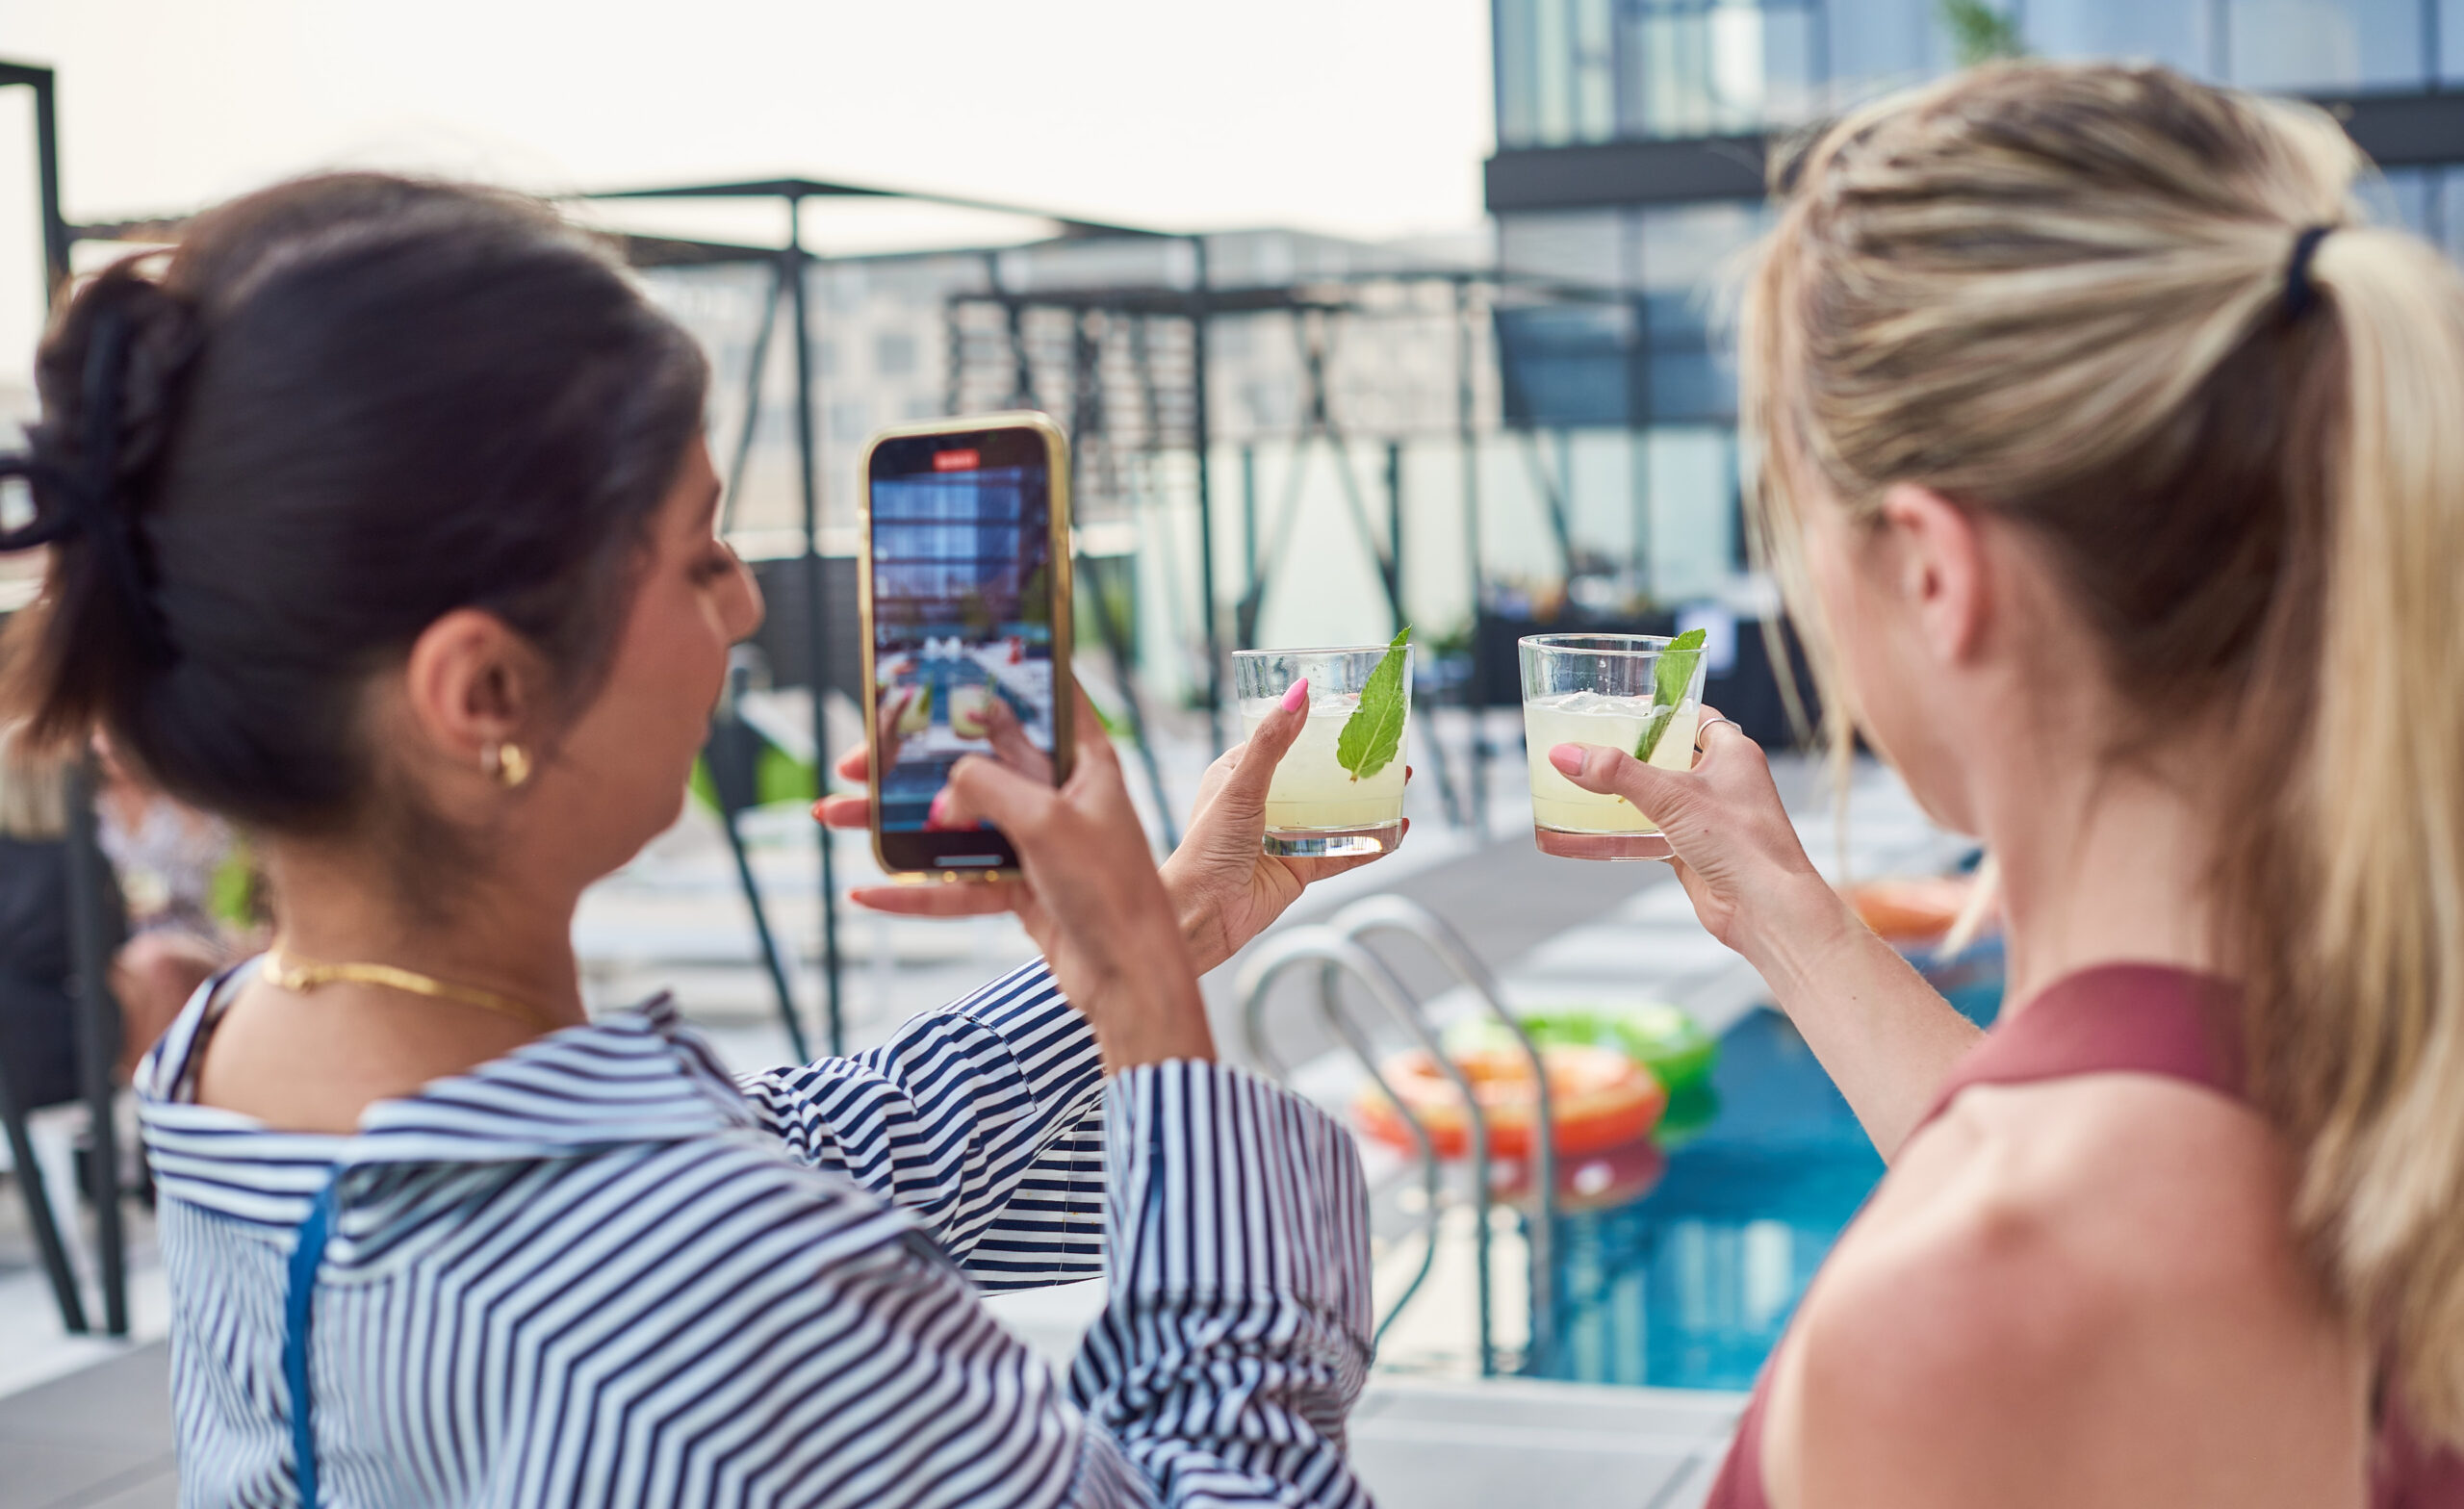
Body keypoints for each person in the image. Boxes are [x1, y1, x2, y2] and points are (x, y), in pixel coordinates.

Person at [0, 172, 1391, 1507]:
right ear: (485, 692)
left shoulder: (235, 1048)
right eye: (698, 555)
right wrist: (1155, 1025)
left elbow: (777, 1152)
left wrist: (1158, 933)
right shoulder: (690, 1298)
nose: (740, 609)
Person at [1543, 63, 2464, 1507]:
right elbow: (2104, 1136)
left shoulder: (1975, 1321)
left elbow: (2054, 1273)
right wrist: (1786, 913)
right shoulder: (2355, 1067)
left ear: (1930, 571)